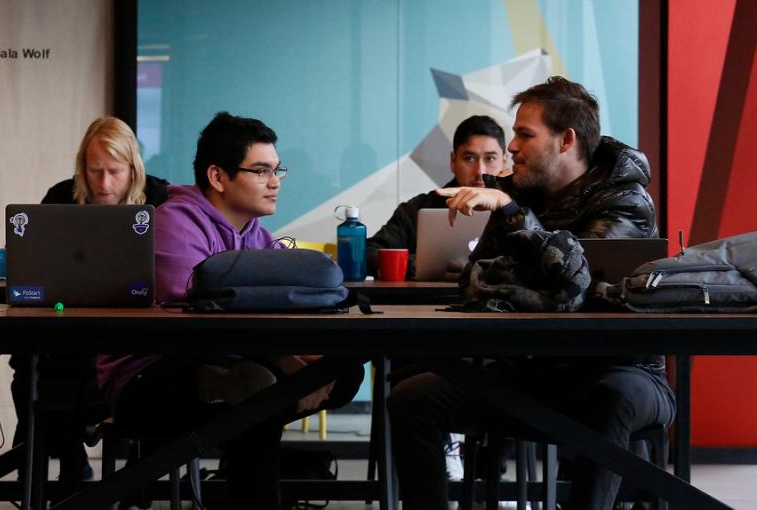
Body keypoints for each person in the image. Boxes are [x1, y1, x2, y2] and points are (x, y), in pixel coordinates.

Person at [387, 77, 676, 510]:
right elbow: (476, 282)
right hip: (531, 369)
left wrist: (514, 222)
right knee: (412, 398)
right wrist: (519, 253)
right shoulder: (513, 194)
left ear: (566, 141)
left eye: (525, 134)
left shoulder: (625, 203)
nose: (513, 147)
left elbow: (573, 292)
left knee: (610, 398)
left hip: (619, 369)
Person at [95, 111, 363, 509]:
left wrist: (294, 362)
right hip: (147, 377)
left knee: (338, 373)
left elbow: (289, 296)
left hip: (237, 364)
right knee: (258, 392)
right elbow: (195, 313)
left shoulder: (254, 233)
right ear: (218, 177)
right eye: (260, 171)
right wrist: (287, 361)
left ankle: (243, 389)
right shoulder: (173, 223)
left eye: (277, 170)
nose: (274, 182)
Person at [8, 117, 169, 488]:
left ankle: (137, 483)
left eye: (114, 171)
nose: (104, 184)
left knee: (159, 375)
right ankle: (71, 464)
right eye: (95, 171)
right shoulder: (61, 197)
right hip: (71, 323)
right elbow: (38, 264)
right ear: (83, 165)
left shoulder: (161, 199)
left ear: (133, 166)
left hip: (142, 331)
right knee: (28, 368)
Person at [366, 115, 510, 279]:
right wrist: (417, 264)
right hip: (428, 301)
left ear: (505, 161)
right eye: (469, 158)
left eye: (490, 158)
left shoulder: (516, 211)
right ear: (453, 161)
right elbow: (369, 253)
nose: (480, 171)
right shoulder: (419, 208)